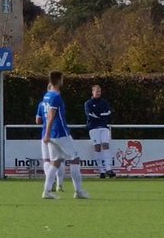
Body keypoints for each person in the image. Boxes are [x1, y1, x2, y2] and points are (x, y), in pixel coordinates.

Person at [38, 71, 88, 199]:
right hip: (60, 133)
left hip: (54, 134)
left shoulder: (47, 96)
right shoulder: (56, 97)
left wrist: (48, 134)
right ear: (59, 80)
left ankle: (47, 191)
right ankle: (79, 191)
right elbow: (51, 115)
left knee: (56, 162)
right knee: (75, 159)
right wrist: (47, 133)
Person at [84, 84, 114, 178]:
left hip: (103, 127)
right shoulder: (88, 103)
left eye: (99, 91)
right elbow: (90, 114)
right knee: (97, 147)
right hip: (93, 127)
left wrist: (99, 115)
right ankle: (101, 171)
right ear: (92, 92)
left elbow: (108, 113)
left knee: (105, 145)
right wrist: (100, 115)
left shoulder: (104, 102)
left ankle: (109, 169)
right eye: (96, 91)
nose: (98, 93)